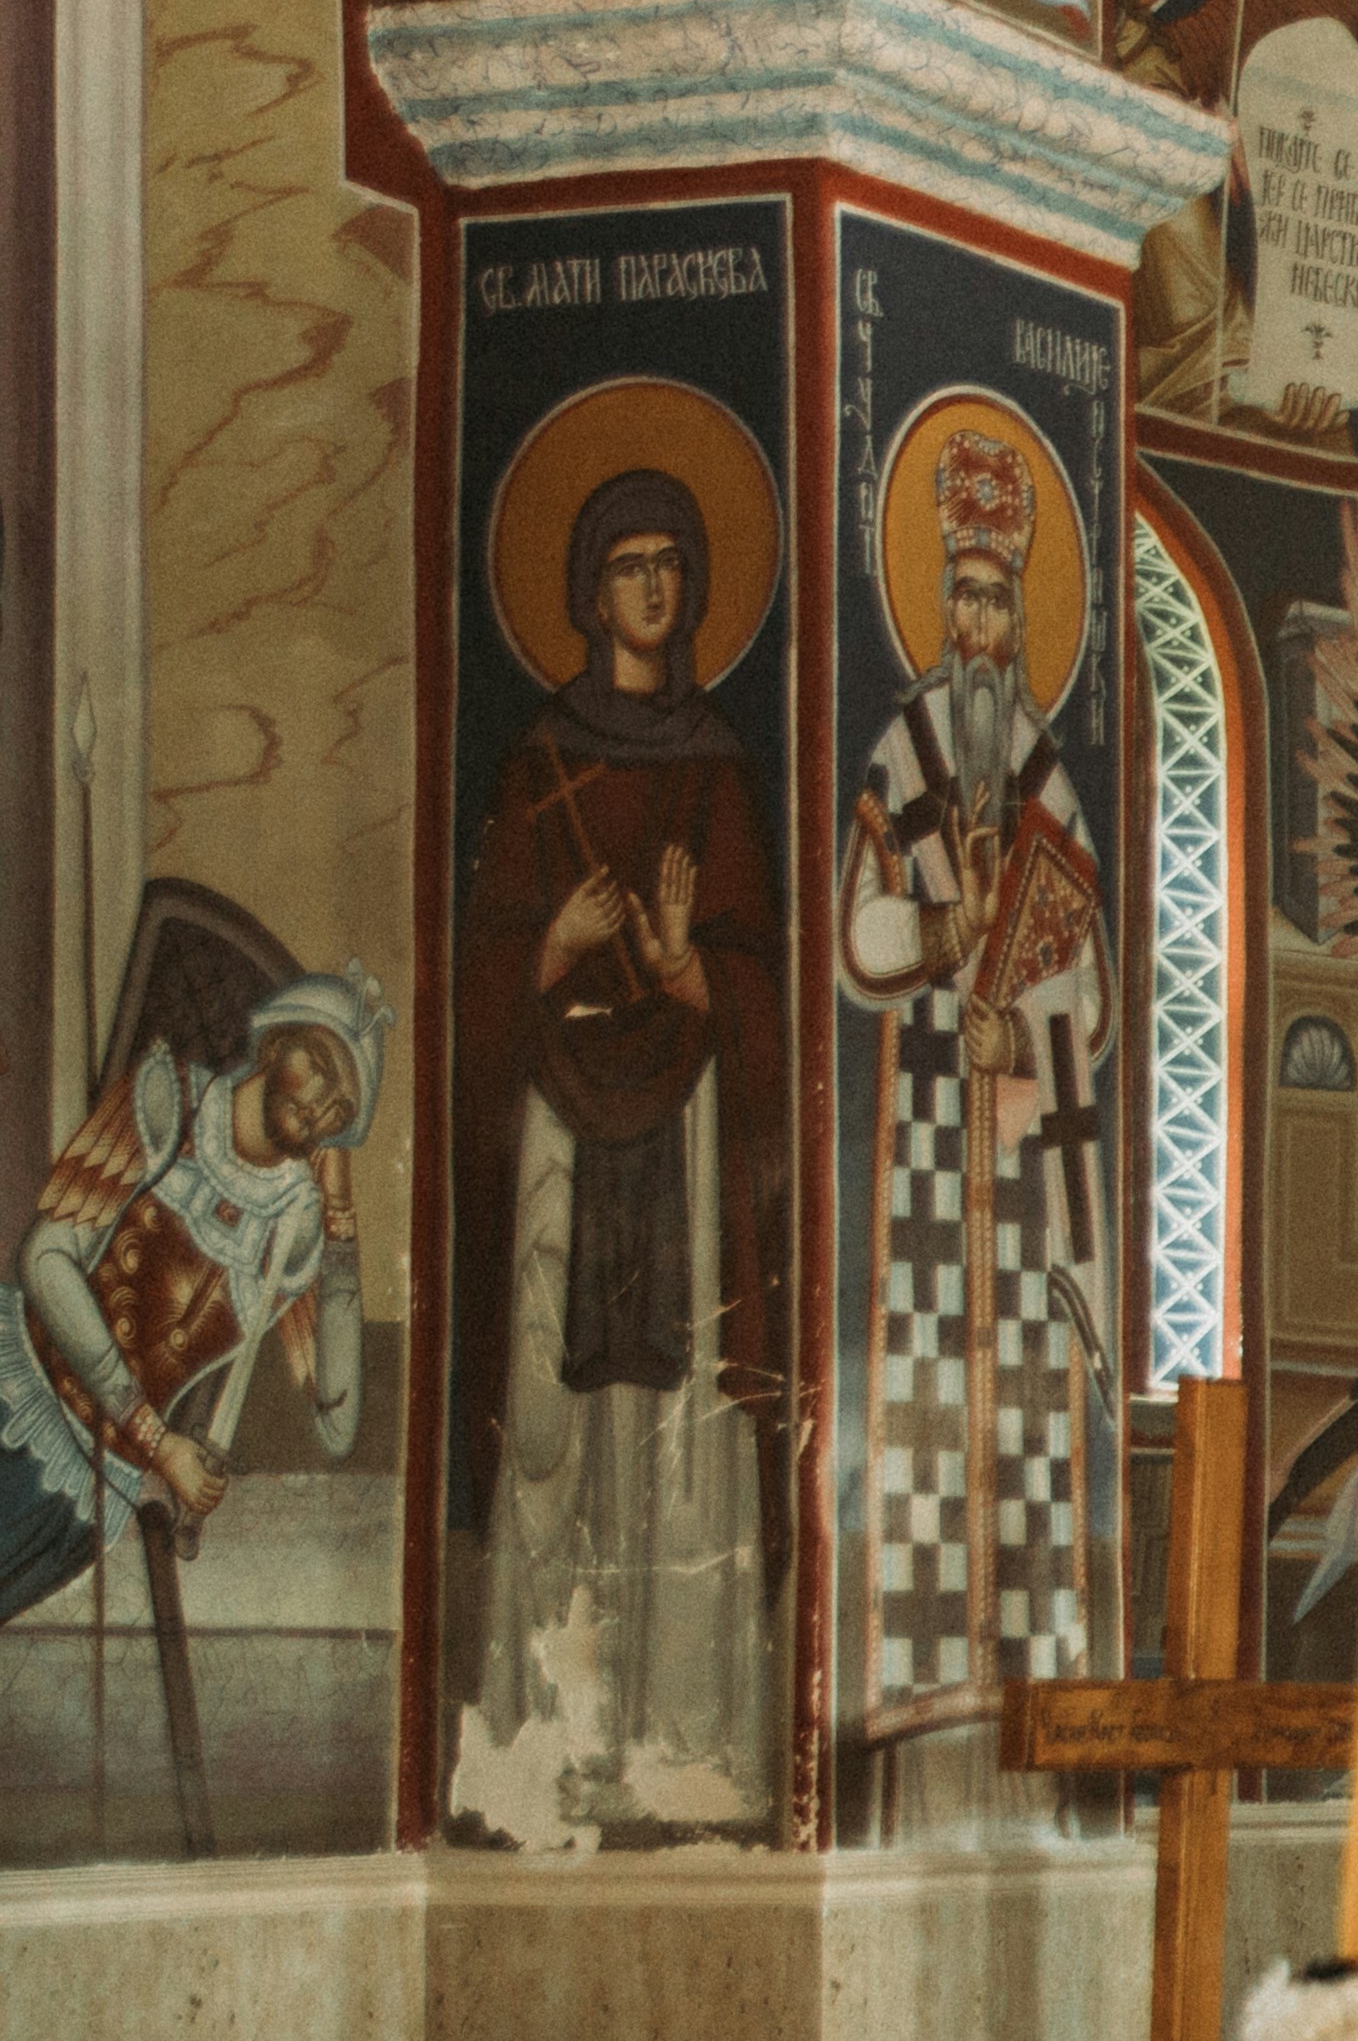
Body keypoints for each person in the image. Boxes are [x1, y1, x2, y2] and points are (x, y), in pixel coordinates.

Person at [448, 462, 785, 1837]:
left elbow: (758, 973)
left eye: (672, 563)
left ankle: (677, 1734)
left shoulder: (717, 763)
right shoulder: (540, 759)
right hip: (562, 1128)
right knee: (559, 1425)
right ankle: (545, 1742)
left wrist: (688, 969)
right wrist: (560, 947)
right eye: (629, 562)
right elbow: (480, 972)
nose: (654, 586)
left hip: (686, 1129)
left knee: (681, 1432)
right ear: (590, 591)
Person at [834, 423, 1112, 1700]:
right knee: (927, 1357)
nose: (980, 619)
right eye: (963, 593)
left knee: (1031, 1393)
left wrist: (1033, 1031)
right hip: (931, 1124)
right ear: (941, 608)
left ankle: (1033, 1657)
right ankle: (924, 1659)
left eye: (1001, 598)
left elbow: (1093, 985)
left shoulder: (1052, 779)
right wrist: (945, 932)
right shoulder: (905, 753)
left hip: (1026, 1127)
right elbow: (857, 936)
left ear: (1022, 618)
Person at [1, 975, 380, 1639]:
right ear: (275, 1043)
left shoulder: (295, 1232)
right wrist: (157, 1442)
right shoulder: (165, 1099)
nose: (321, 1104)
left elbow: (339, 1422)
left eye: (342, 1109)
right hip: (17, 1395)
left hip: (85, 1495)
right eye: (317, 1066)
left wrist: (341, 1225)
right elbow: (44, 1261)